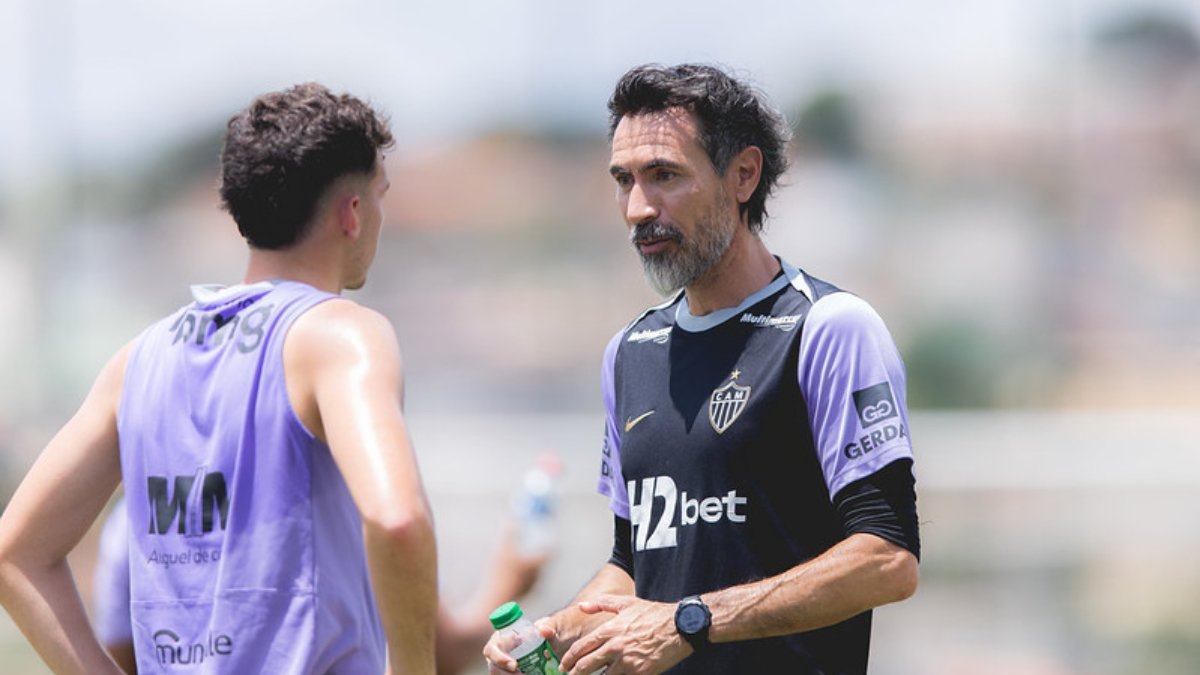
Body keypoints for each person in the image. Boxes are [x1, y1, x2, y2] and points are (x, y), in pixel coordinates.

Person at [484, 63, 922, 674]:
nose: (638, 207)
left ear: (743, 175)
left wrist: (692, 621)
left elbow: (887, 560)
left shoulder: (829, 328)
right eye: (624, 180)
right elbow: (634, 564)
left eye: (664, 175)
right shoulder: (630, 351)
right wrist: (559, 631)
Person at [0, 82, 438, 674]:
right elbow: (398, 518)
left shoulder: (137, 360)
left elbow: (17, 554)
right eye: (380, 194)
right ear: (353, 214)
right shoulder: (339, 338)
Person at [91, 493, 545, 675]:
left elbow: (125, 657)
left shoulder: (132, 518)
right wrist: (507, 584)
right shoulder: (341, 499)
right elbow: (438, 649)